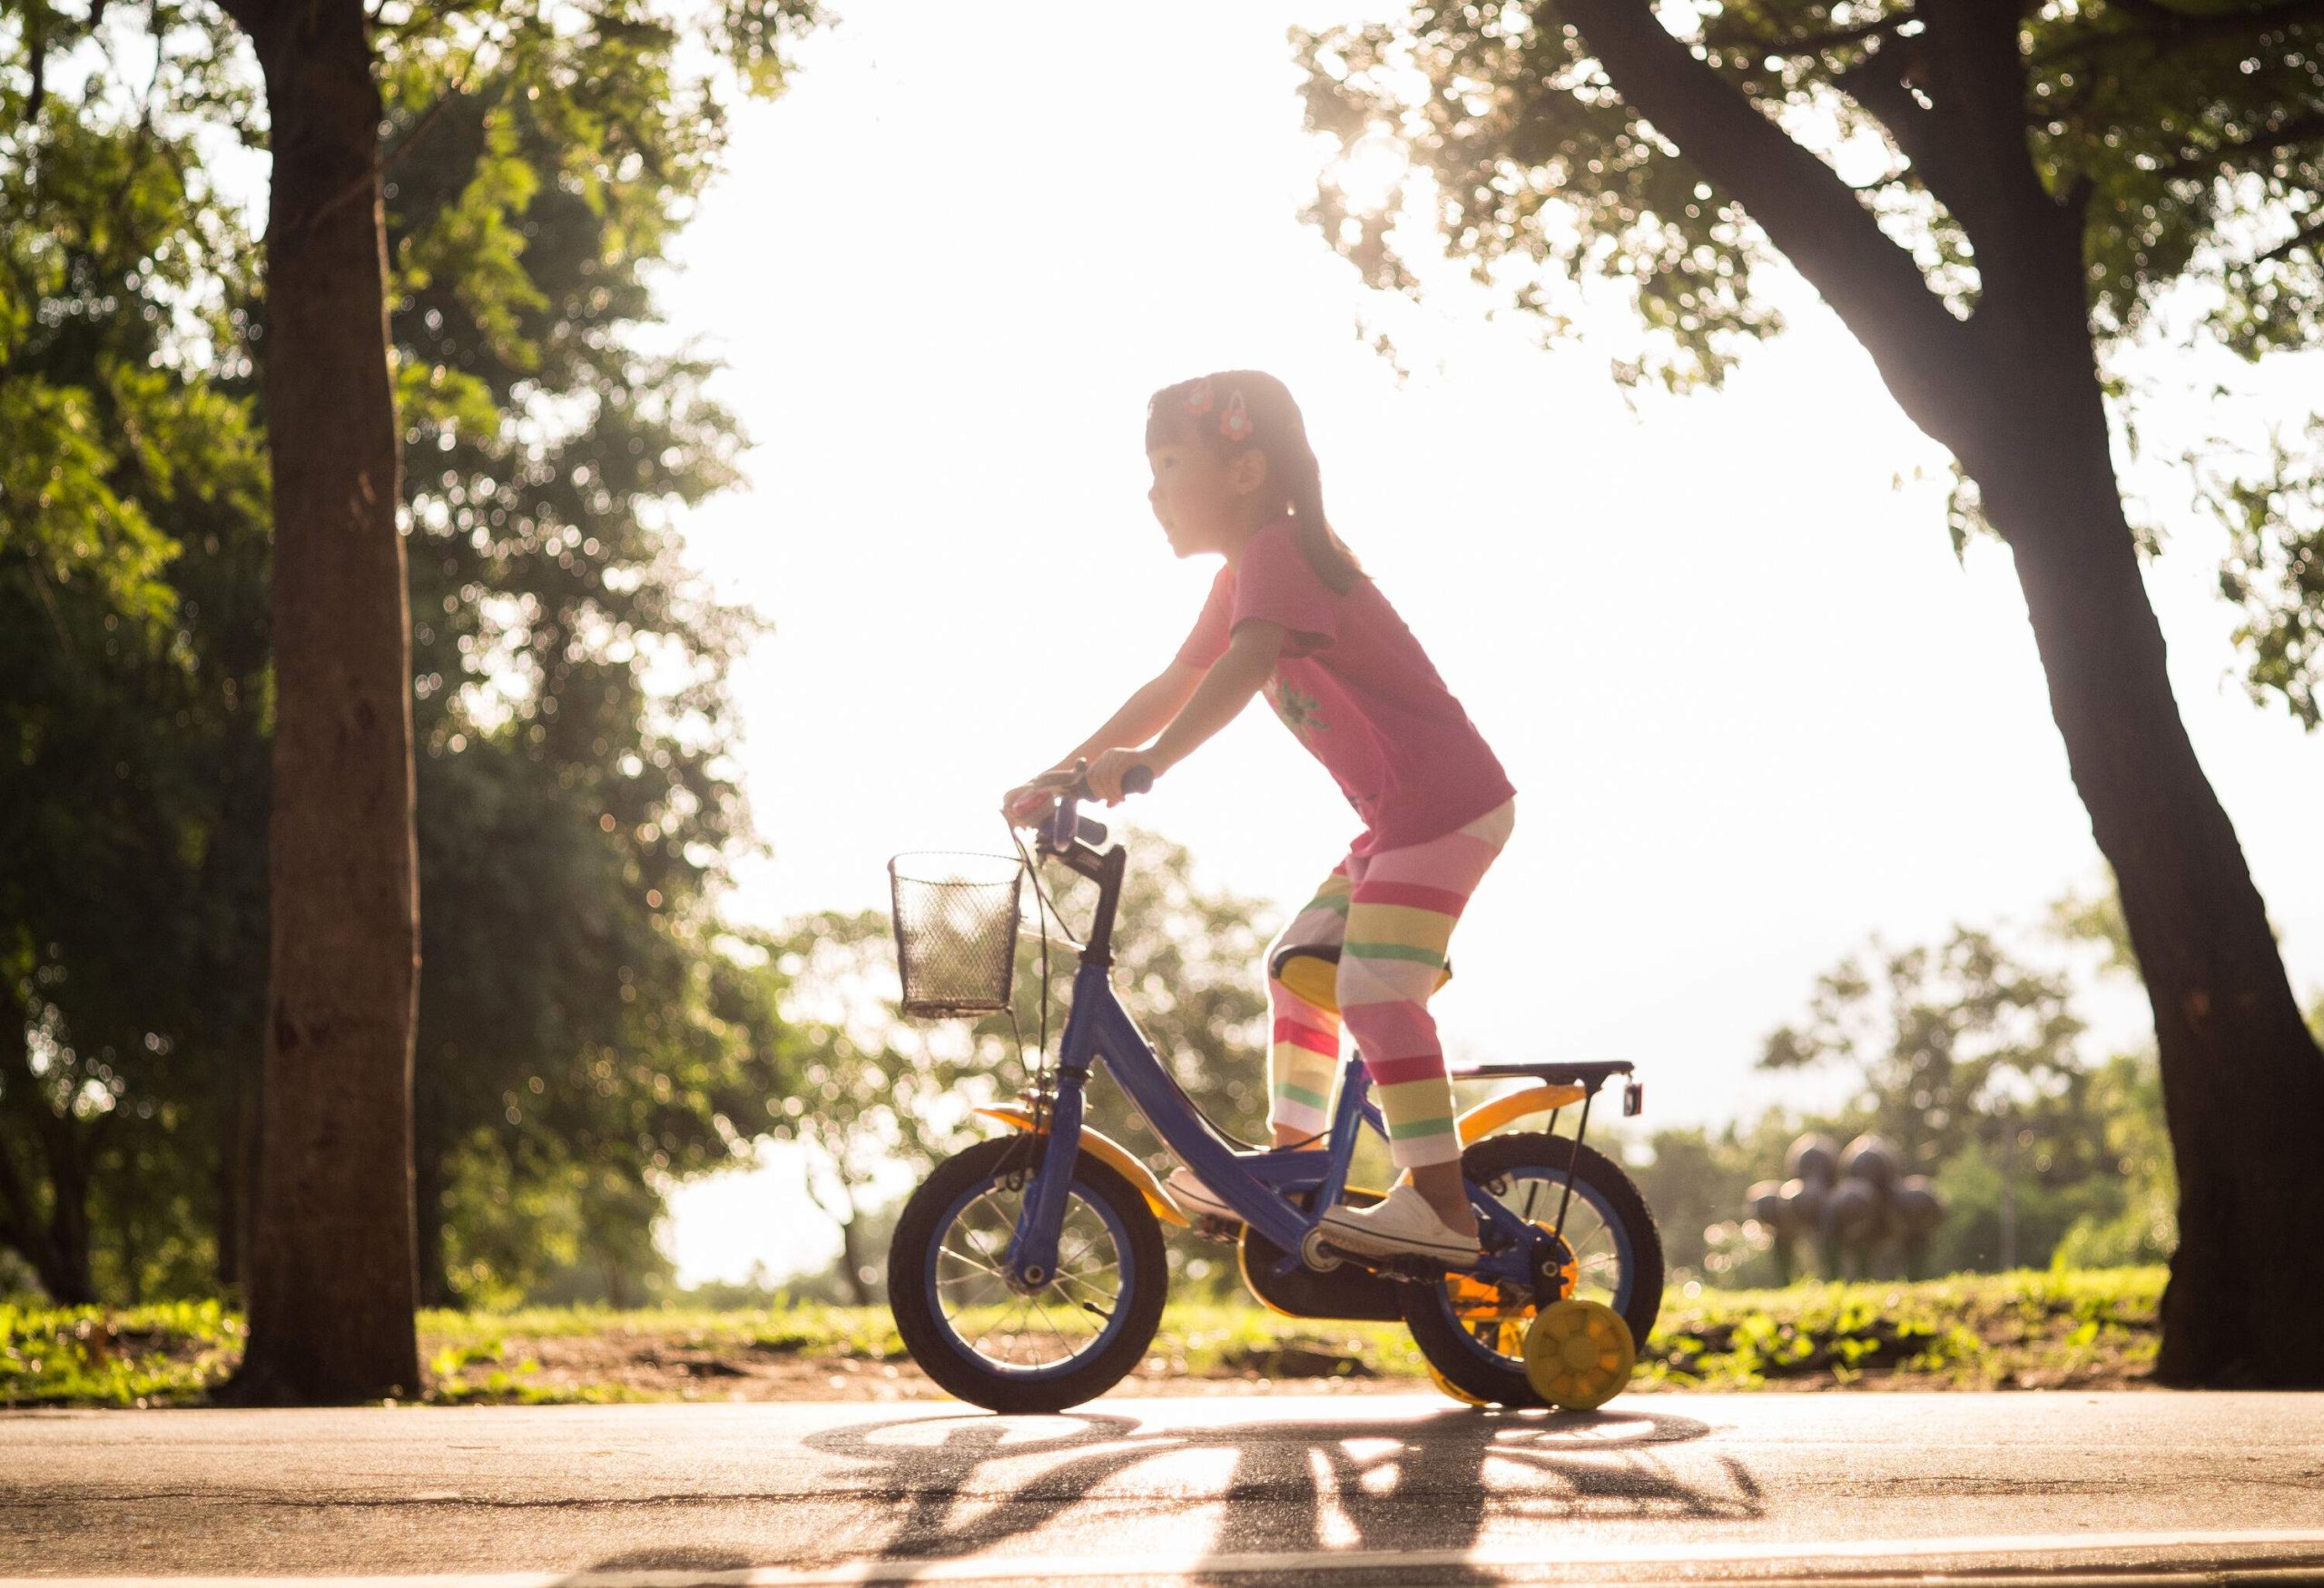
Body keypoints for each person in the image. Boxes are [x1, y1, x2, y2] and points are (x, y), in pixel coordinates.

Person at [1003, 370, 1515, 1262]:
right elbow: (1172, 682)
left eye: (1168, 463)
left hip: (1445, 807)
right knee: (1296, 969)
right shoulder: (1248, 571)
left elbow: (1239, 670)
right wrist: (1068, 769)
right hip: (1397, 821)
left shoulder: (1281, 552)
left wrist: (1153, 763)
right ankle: (1298, 1164)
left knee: (1372, 990)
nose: (1151, 489)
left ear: (1244, 472)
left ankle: (1442, 1210)